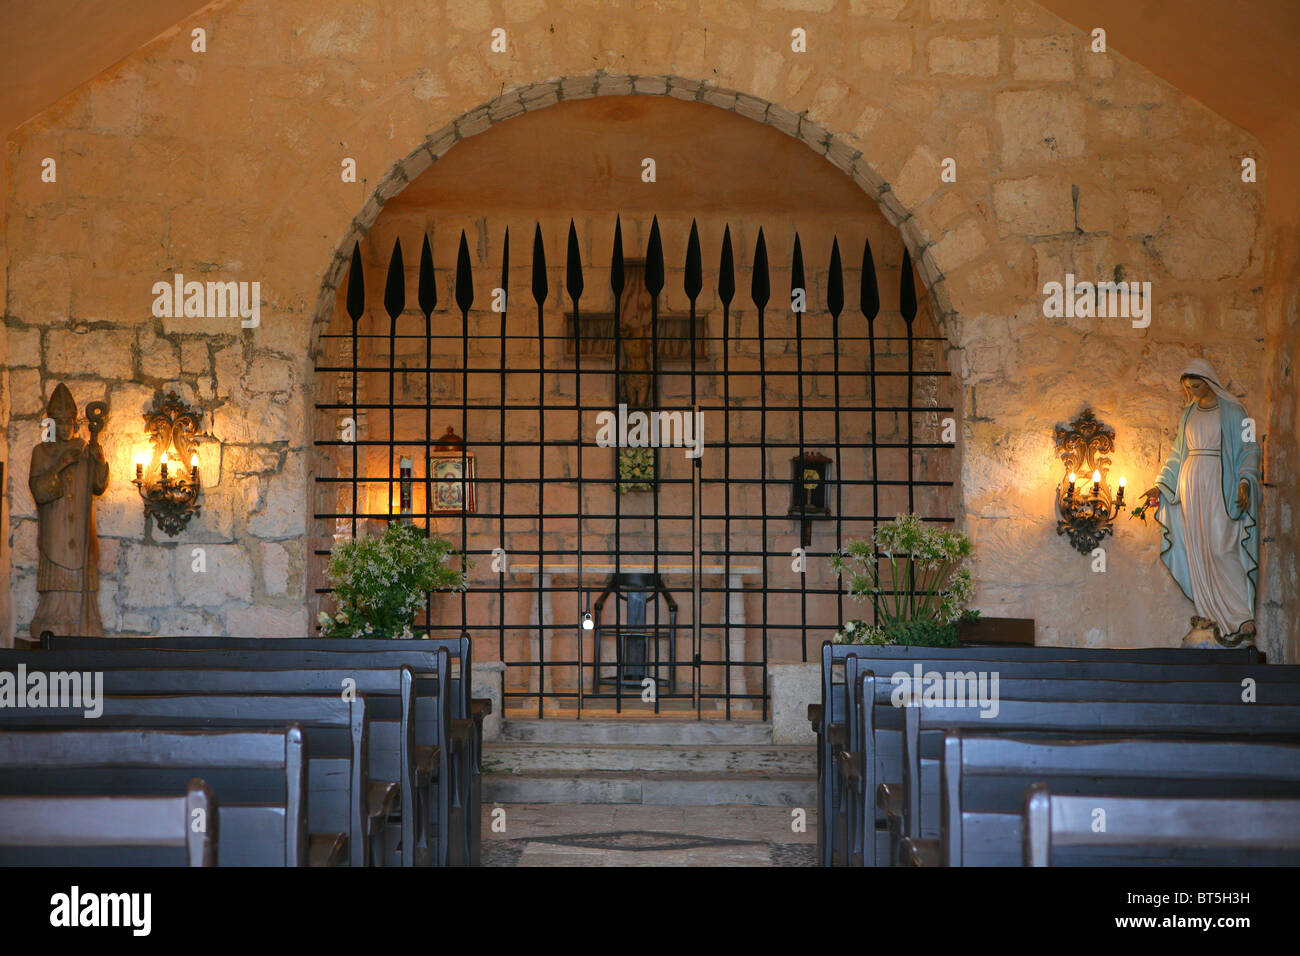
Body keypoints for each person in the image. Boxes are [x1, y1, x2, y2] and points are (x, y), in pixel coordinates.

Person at [1139, 359, 1260, 644]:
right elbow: (1176, 454)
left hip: (1221, 485)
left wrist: (1245, 479)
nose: (1192, 391)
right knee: (1198, 548)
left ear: (1209, 381)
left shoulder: (1234, 411)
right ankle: (1209, 614)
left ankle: (1241, 616)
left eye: (1197, 385)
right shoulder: (1189, 413)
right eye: (1188, 387)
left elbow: (1249, 447)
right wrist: (1160, 485)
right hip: (1191, 484)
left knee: (1221, 546)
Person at [28, 383, 109, 638]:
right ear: (51, 424)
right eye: (59, 422)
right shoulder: (41, 452)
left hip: (82, 530)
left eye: (69, 422)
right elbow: (40, 490)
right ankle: (54, 620)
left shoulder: (85, 450)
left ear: (75, 423)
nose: (64, 427)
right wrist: (62, 463)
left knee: (82, 578)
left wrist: (97, 456)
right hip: (57, 530)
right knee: (57, 579)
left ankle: (84, 623)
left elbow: (98, 484)